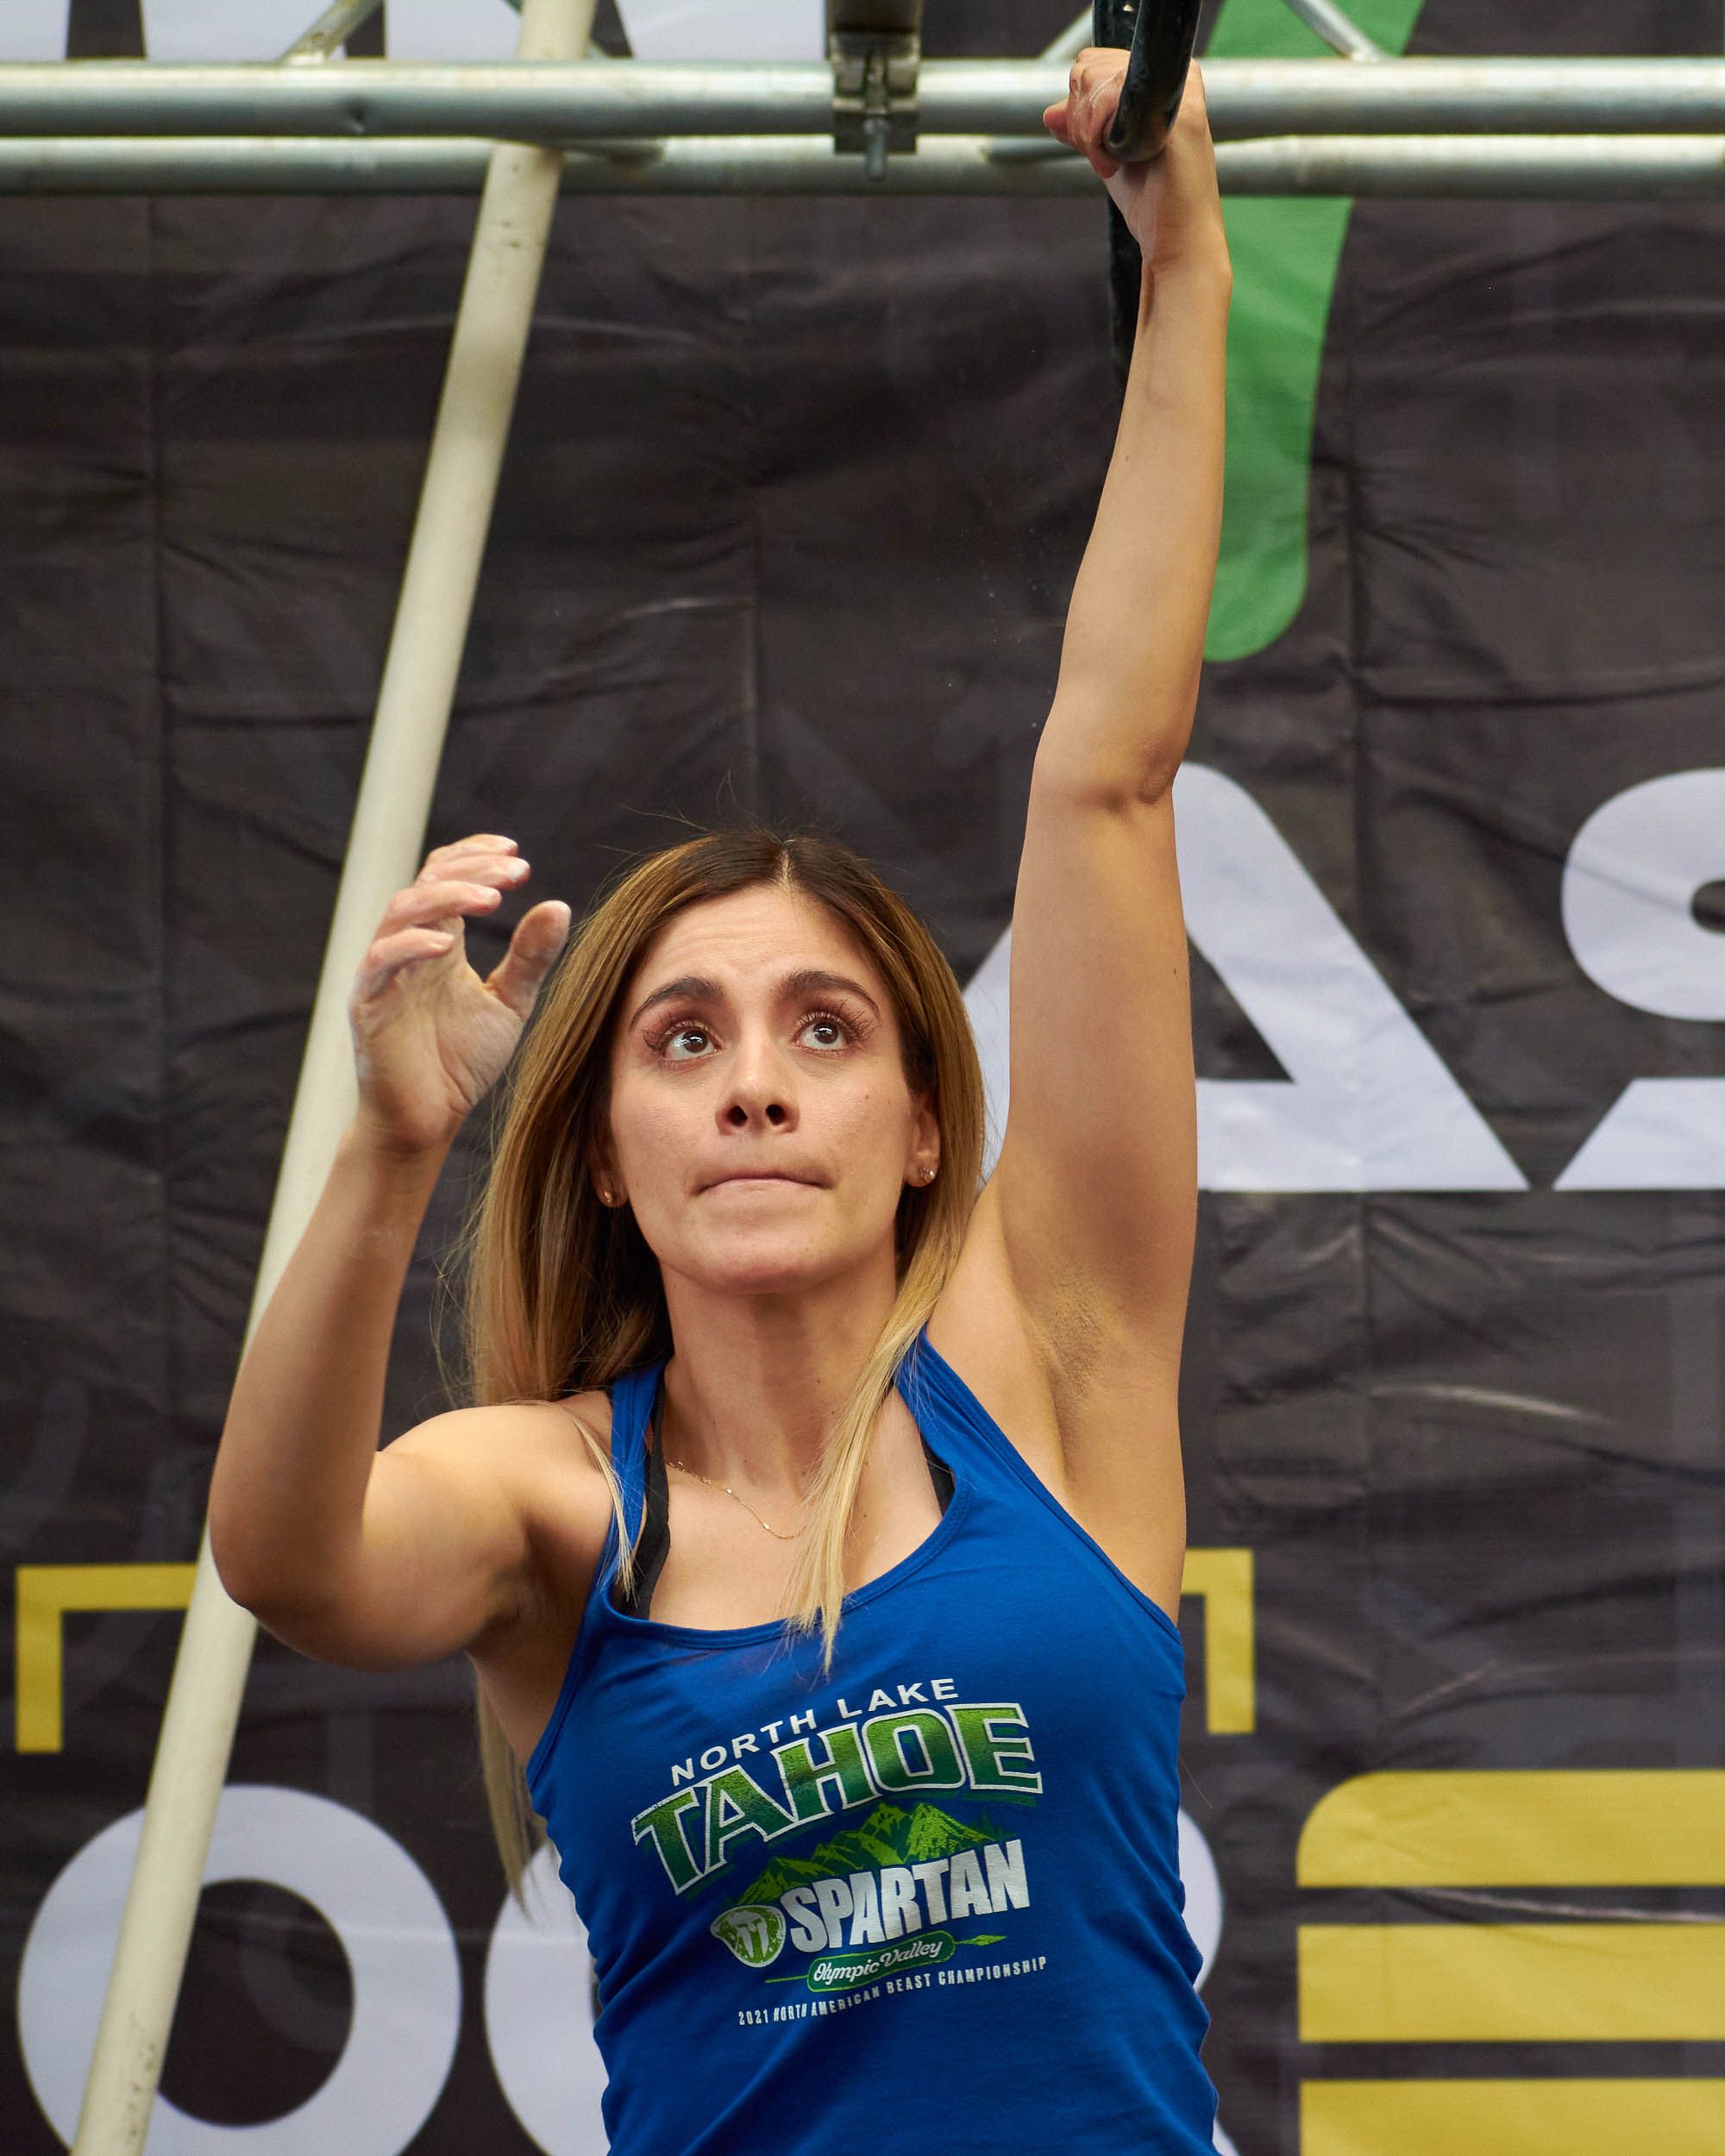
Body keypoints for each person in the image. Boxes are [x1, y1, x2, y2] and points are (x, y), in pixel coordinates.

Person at [210, 45, 1231, 2156]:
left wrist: (1182, 262)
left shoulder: (1056, 1356)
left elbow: (1107, 778)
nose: (755, 1083)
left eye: (825, 1030)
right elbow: (289, 1560)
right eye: (683, 1039)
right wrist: (391, 1150)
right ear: (605, 1147)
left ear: (924, 1126)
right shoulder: (547, 1505)